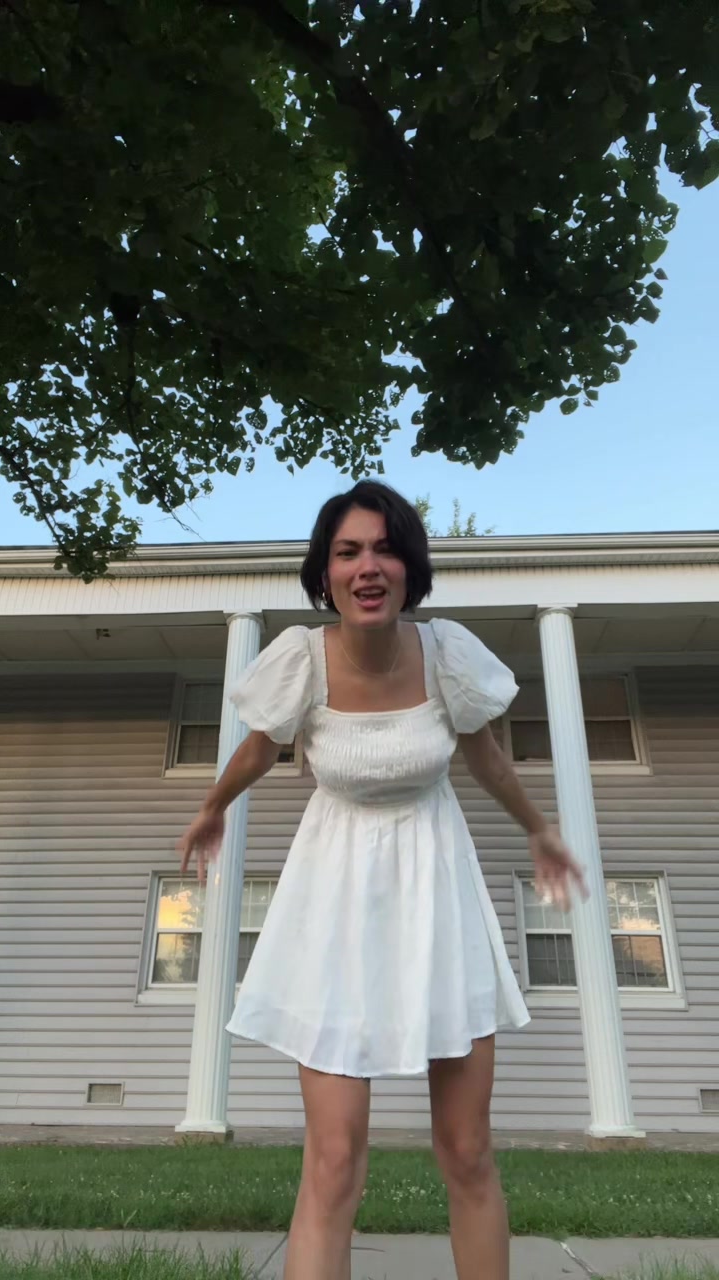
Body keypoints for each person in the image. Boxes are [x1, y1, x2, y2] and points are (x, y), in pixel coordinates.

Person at [178, 480, 587, 1280]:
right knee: (334, 1159)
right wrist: (212, 807)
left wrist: (540, 828)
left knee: (467, 1149)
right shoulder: (301, 660)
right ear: (325, 574)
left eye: (385, 549)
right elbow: (260, 748)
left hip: (439, 894)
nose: (368, 566)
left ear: (410, 569)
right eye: (348, 552)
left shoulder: (447, 654)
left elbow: (486, 758)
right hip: (333, 900)